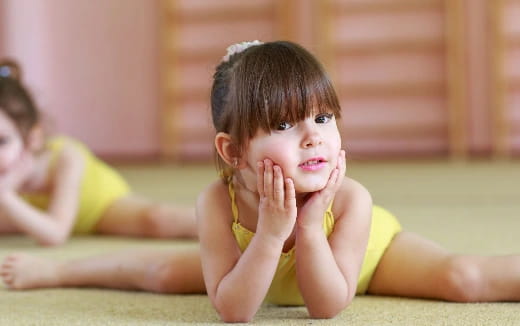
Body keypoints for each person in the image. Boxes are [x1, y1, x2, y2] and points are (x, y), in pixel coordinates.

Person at [2, 41, 520, 323]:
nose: (313, 138)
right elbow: (233, 311)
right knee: (159, 272)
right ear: (232, 152)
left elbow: (326, 307)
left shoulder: (353, 198)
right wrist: (271, 234)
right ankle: (59, 272)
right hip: (257, 262)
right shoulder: (216, 202)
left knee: (462, 280)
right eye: (281, 126)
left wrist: (312, 224)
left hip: (362, 262)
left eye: (323, 119)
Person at [0, 59, 197, 246]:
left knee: (156, 219)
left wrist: (6, 195)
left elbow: (55, 235)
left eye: (2, 141)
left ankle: (223, 223)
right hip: (39, 218)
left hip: (99, 208)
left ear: (33, 138)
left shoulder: (65, 156)